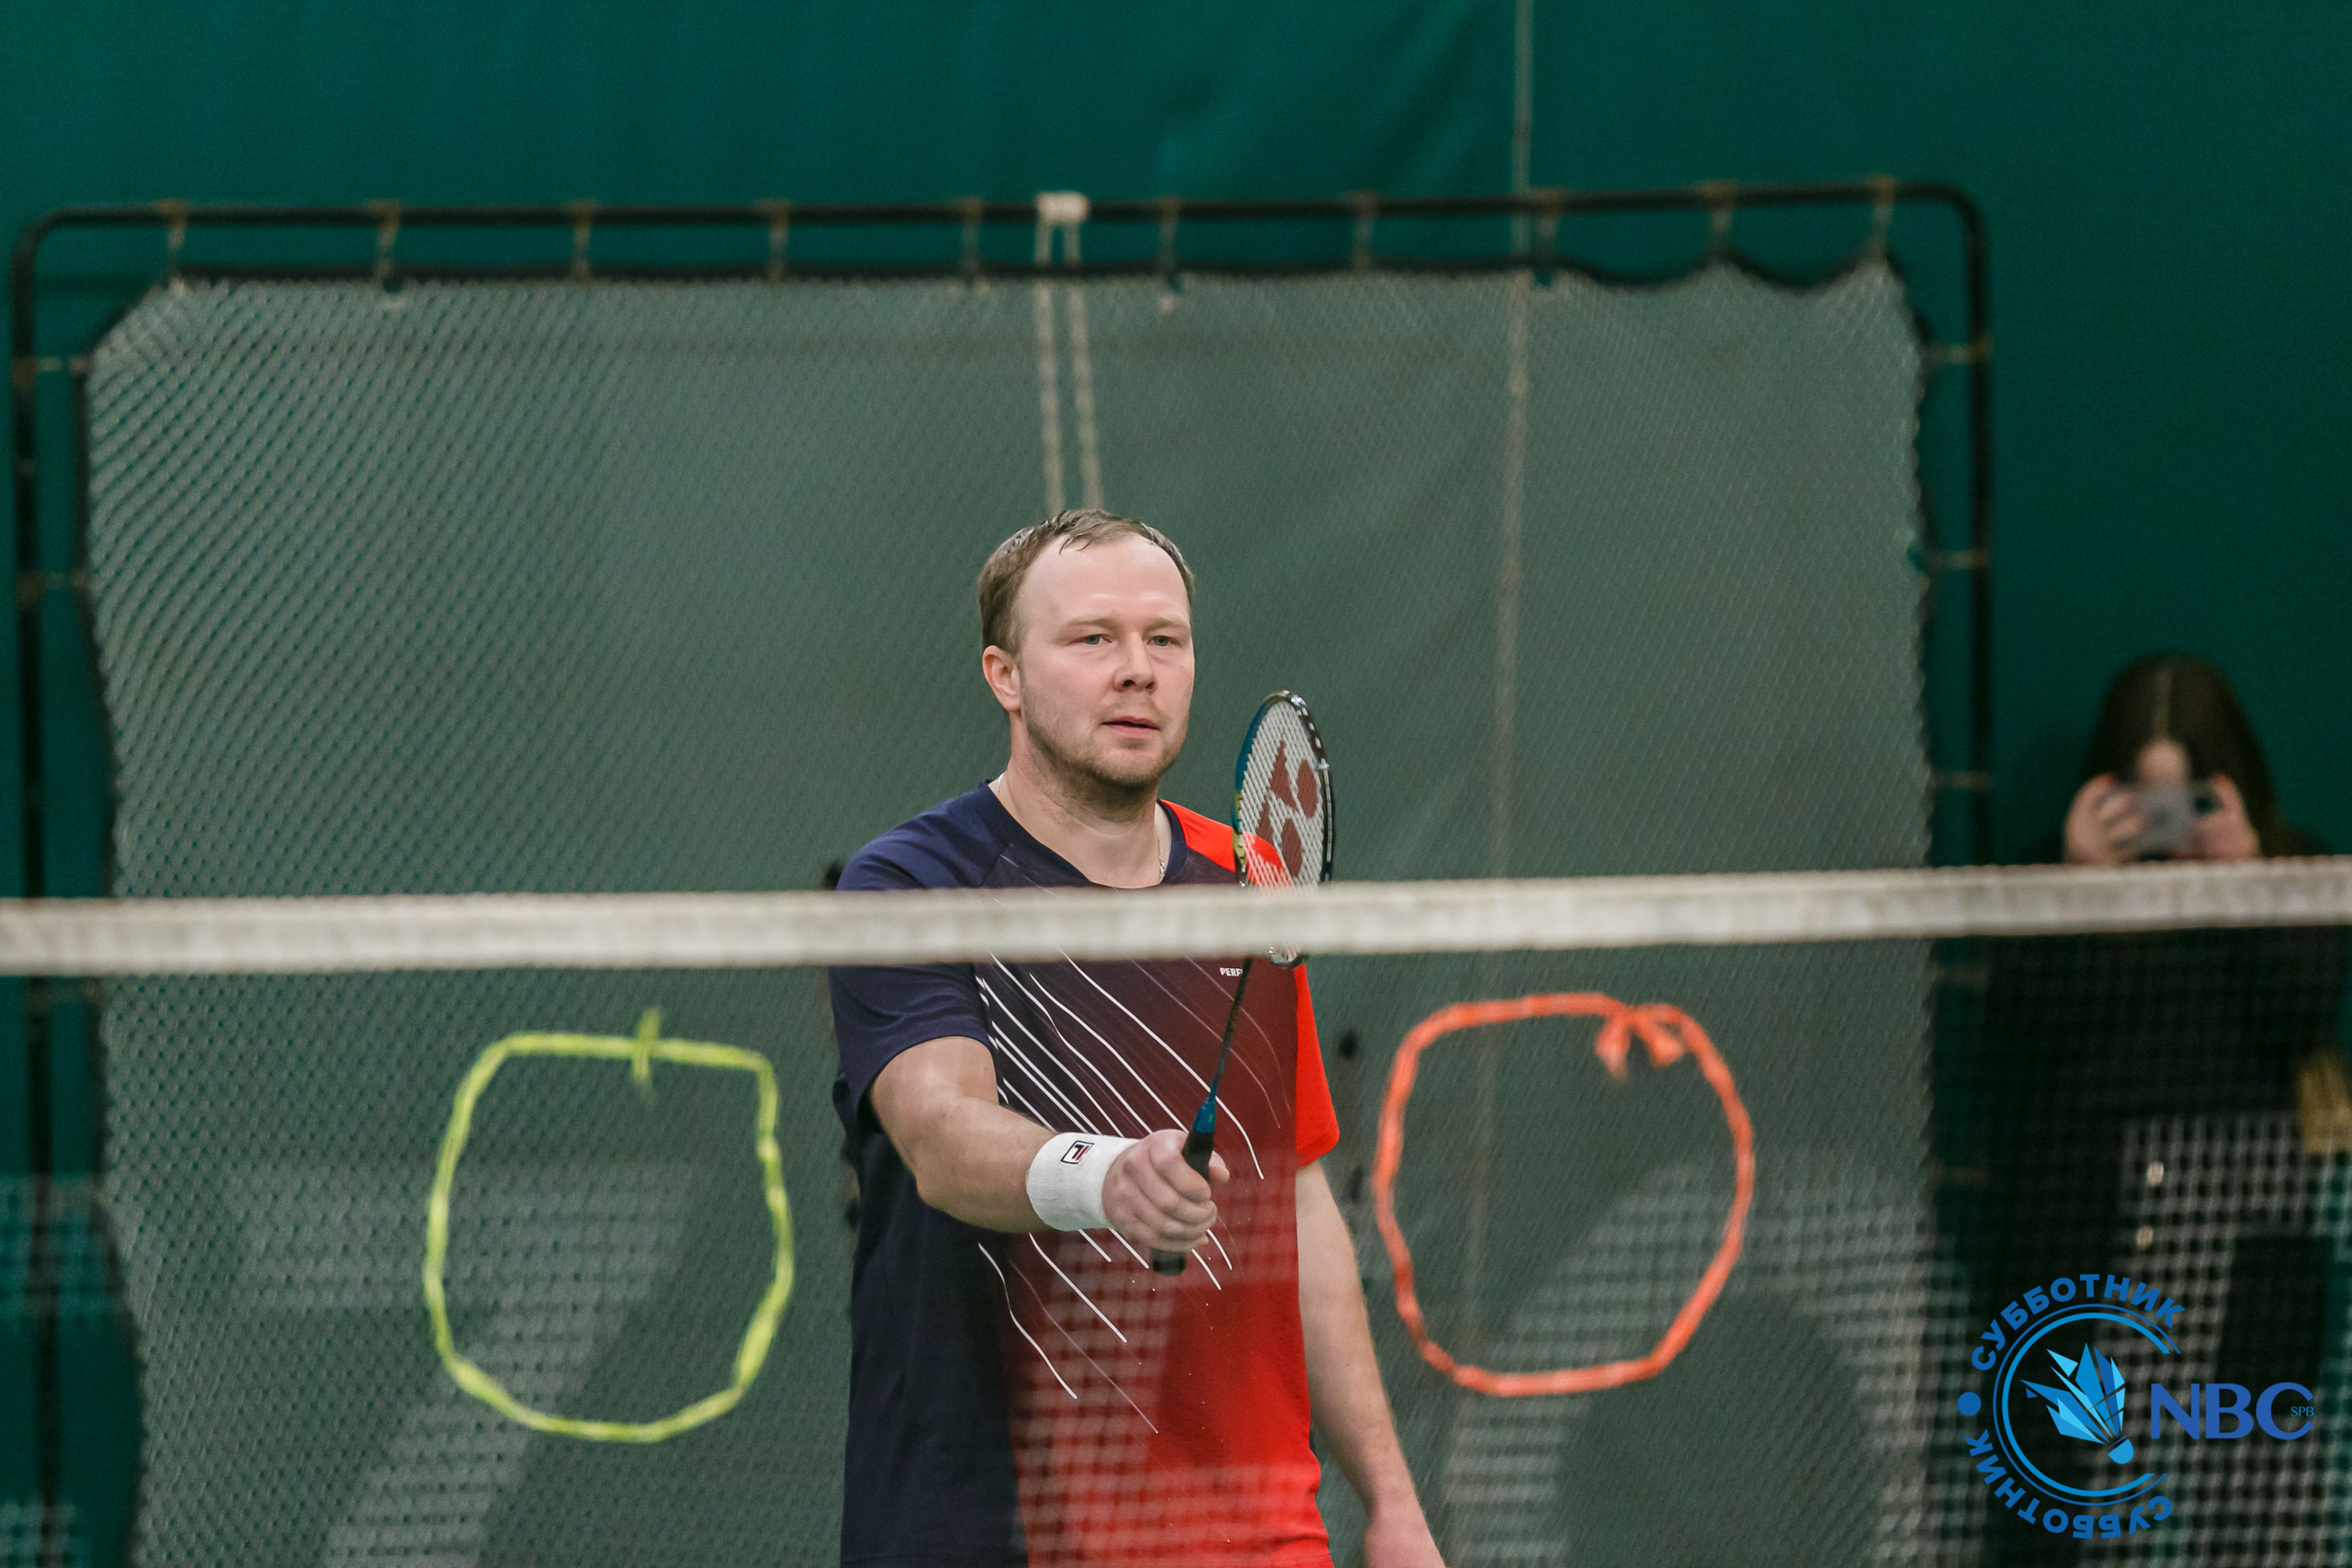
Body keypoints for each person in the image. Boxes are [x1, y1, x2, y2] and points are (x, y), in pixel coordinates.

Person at [827, 509, 1443, 1568]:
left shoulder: (1251, 885)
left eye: (1165, 640)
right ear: (1004, 675)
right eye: (1092, 640)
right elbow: (941, 1136)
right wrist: (1102, 1177)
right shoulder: (912, 883)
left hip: (1253, 1533)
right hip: (991, 1532)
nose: (1137, 671)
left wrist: (1388, 1498)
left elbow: (1290, 1196)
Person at [1969, 655, 2345, 1563]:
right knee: (2078, 1506)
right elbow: (2014, 1031)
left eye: (2188, 803)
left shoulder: (2297, 873)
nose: (2168, 829)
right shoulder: (2049, 883)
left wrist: (2245, 891)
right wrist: (2087, 899)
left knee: (2247, 1511)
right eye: (2147, 802)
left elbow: (2301, 1017)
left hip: (2244, 1265)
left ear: (2233, 787)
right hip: (2081, 1247)